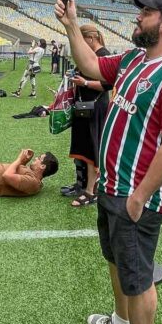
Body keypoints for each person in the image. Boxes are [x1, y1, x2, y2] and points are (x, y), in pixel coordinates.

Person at [56, 0, 162, 324]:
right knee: (116, 262)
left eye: (147, 13)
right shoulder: (135, 59)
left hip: (139, 198)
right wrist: (71, 24)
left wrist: (139, 196)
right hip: (112, 187)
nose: (138, 17)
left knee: (139, 278)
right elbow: (90, 64)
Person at [66, 25, 112, 208]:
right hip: (84, 107)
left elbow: (107, 84)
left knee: (93, 149)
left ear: (91, 39)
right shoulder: (90, 55)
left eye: (82, 41)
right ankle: (83, 184)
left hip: (95, 108)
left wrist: (84, 82)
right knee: (83, 147)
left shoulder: (104, 54)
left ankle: (91, 192)